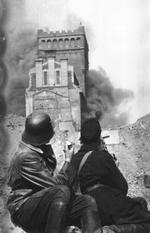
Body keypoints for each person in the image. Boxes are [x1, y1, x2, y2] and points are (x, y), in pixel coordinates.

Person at [7, 112, 102, 233]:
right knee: (61, 191)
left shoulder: (37, 148)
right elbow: (55, 185)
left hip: (43, 203)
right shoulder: (26, 157)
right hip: (23, 208)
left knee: (87, 202)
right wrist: (68, 160)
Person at [71, 118, 150, 233]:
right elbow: (123, 188)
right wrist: (114, 166)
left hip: (87, 208)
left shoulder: (74, 159)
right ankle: (111, 230)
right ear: (98, 136)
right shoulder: (102, 156)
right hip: (107, 203)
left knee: (140, 202)